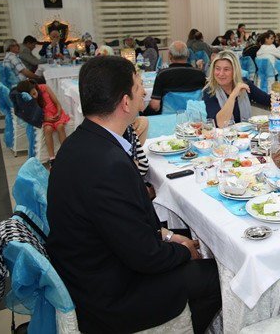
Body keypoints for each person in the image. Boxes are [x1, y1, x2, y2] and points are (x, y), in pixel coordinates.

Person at [46, 56, 221, 333]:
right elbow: (146, 258)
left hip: (92, 264)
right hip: (111, 294)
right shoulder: (107, 165)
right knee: (216, 277)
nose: (144, 92)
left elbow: (121, 224)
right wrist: (182, 251)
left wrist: (166, 235)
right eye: (139, 86)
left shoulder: (80, 142)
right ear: (125, 102)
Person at [203, 50, 270, 127]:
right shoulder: (209, 91)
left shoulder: (244, 84)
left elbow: (268, 100)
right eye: (217, 69)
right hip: (222, 137)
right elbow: (220, 124)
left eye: (226, 69)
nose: (221, 74)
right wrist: (233, 95)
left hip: (245, 136)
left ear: (235, 71)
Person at [15, 79, 69, 166]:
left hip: (56, 112)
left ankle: (66, 153)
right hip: (44, 117)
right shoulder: (29, 101)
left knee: (60, 127)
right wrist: (45, 119)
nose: (34, 96)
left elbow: (57, 103)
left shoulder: (44, 88)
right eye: (31, 95)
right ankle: (52, 158)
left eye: (34, 93)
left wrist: (59, 112)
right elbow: (34, 115)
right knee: (48, 129)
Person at [145, 41, 206, 115]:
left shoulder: (162, 74)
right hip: (195, 119)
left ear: (170, 56)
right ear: (188, 55)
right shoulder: (200, 74)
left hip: (170, 120)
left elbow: (155, 105)